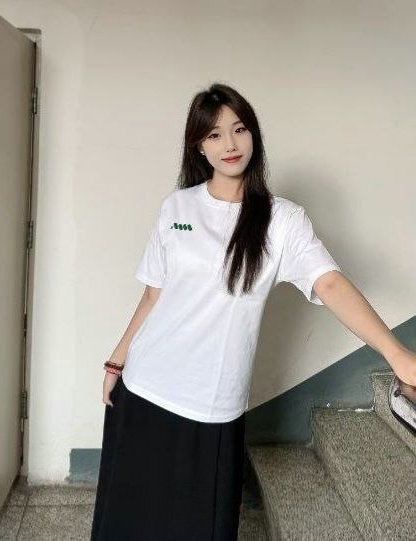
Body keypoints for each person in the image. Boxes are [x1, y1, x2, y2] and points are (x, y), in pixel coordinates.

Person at [90, 83, 416, 540]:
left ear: (254, 135)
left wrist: (396, 353)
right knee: (128, 525)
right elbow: (153, 296)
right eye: (214, 134)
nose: (229, 144)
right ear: (199, 146)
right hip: (144, 389)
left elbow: (329, 283)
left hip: (210, 405)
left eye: (239, 129)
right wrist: (117, 360)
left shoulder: (282, 220)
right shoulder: (177, 207)